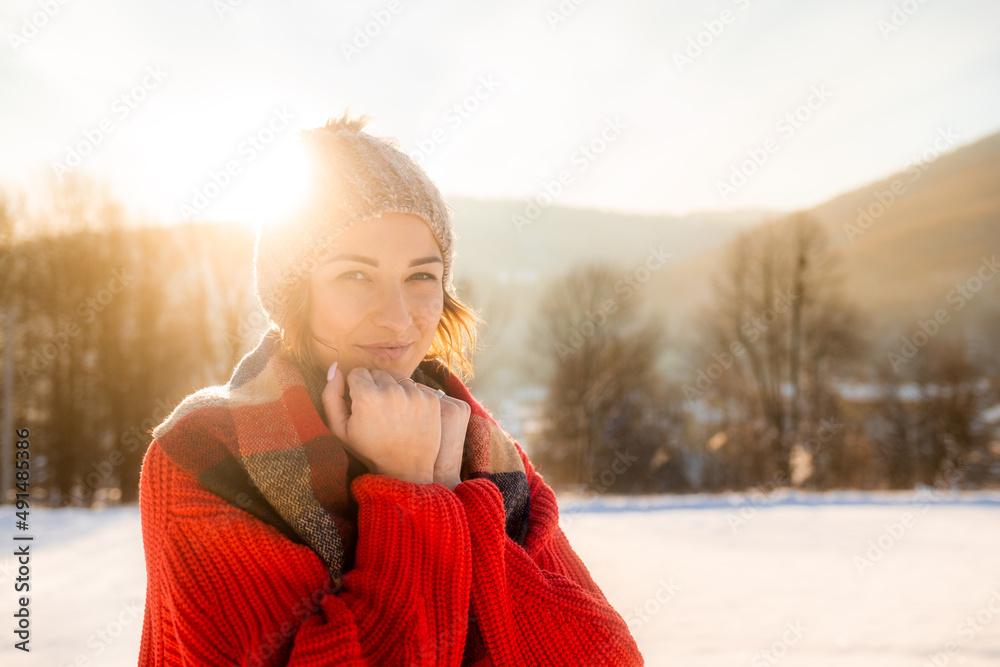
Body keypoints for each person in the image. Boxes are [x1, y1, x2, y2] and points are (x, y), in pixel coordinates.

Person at [136, 111, 644, 666]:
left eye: (422, 277)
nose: (399, 320)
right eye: (356, 275)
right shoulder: (207, 455)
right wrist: (409, 495)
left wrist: (453, 492)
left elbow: (606, 657)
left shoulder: (485, 454)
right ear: (295, 294)